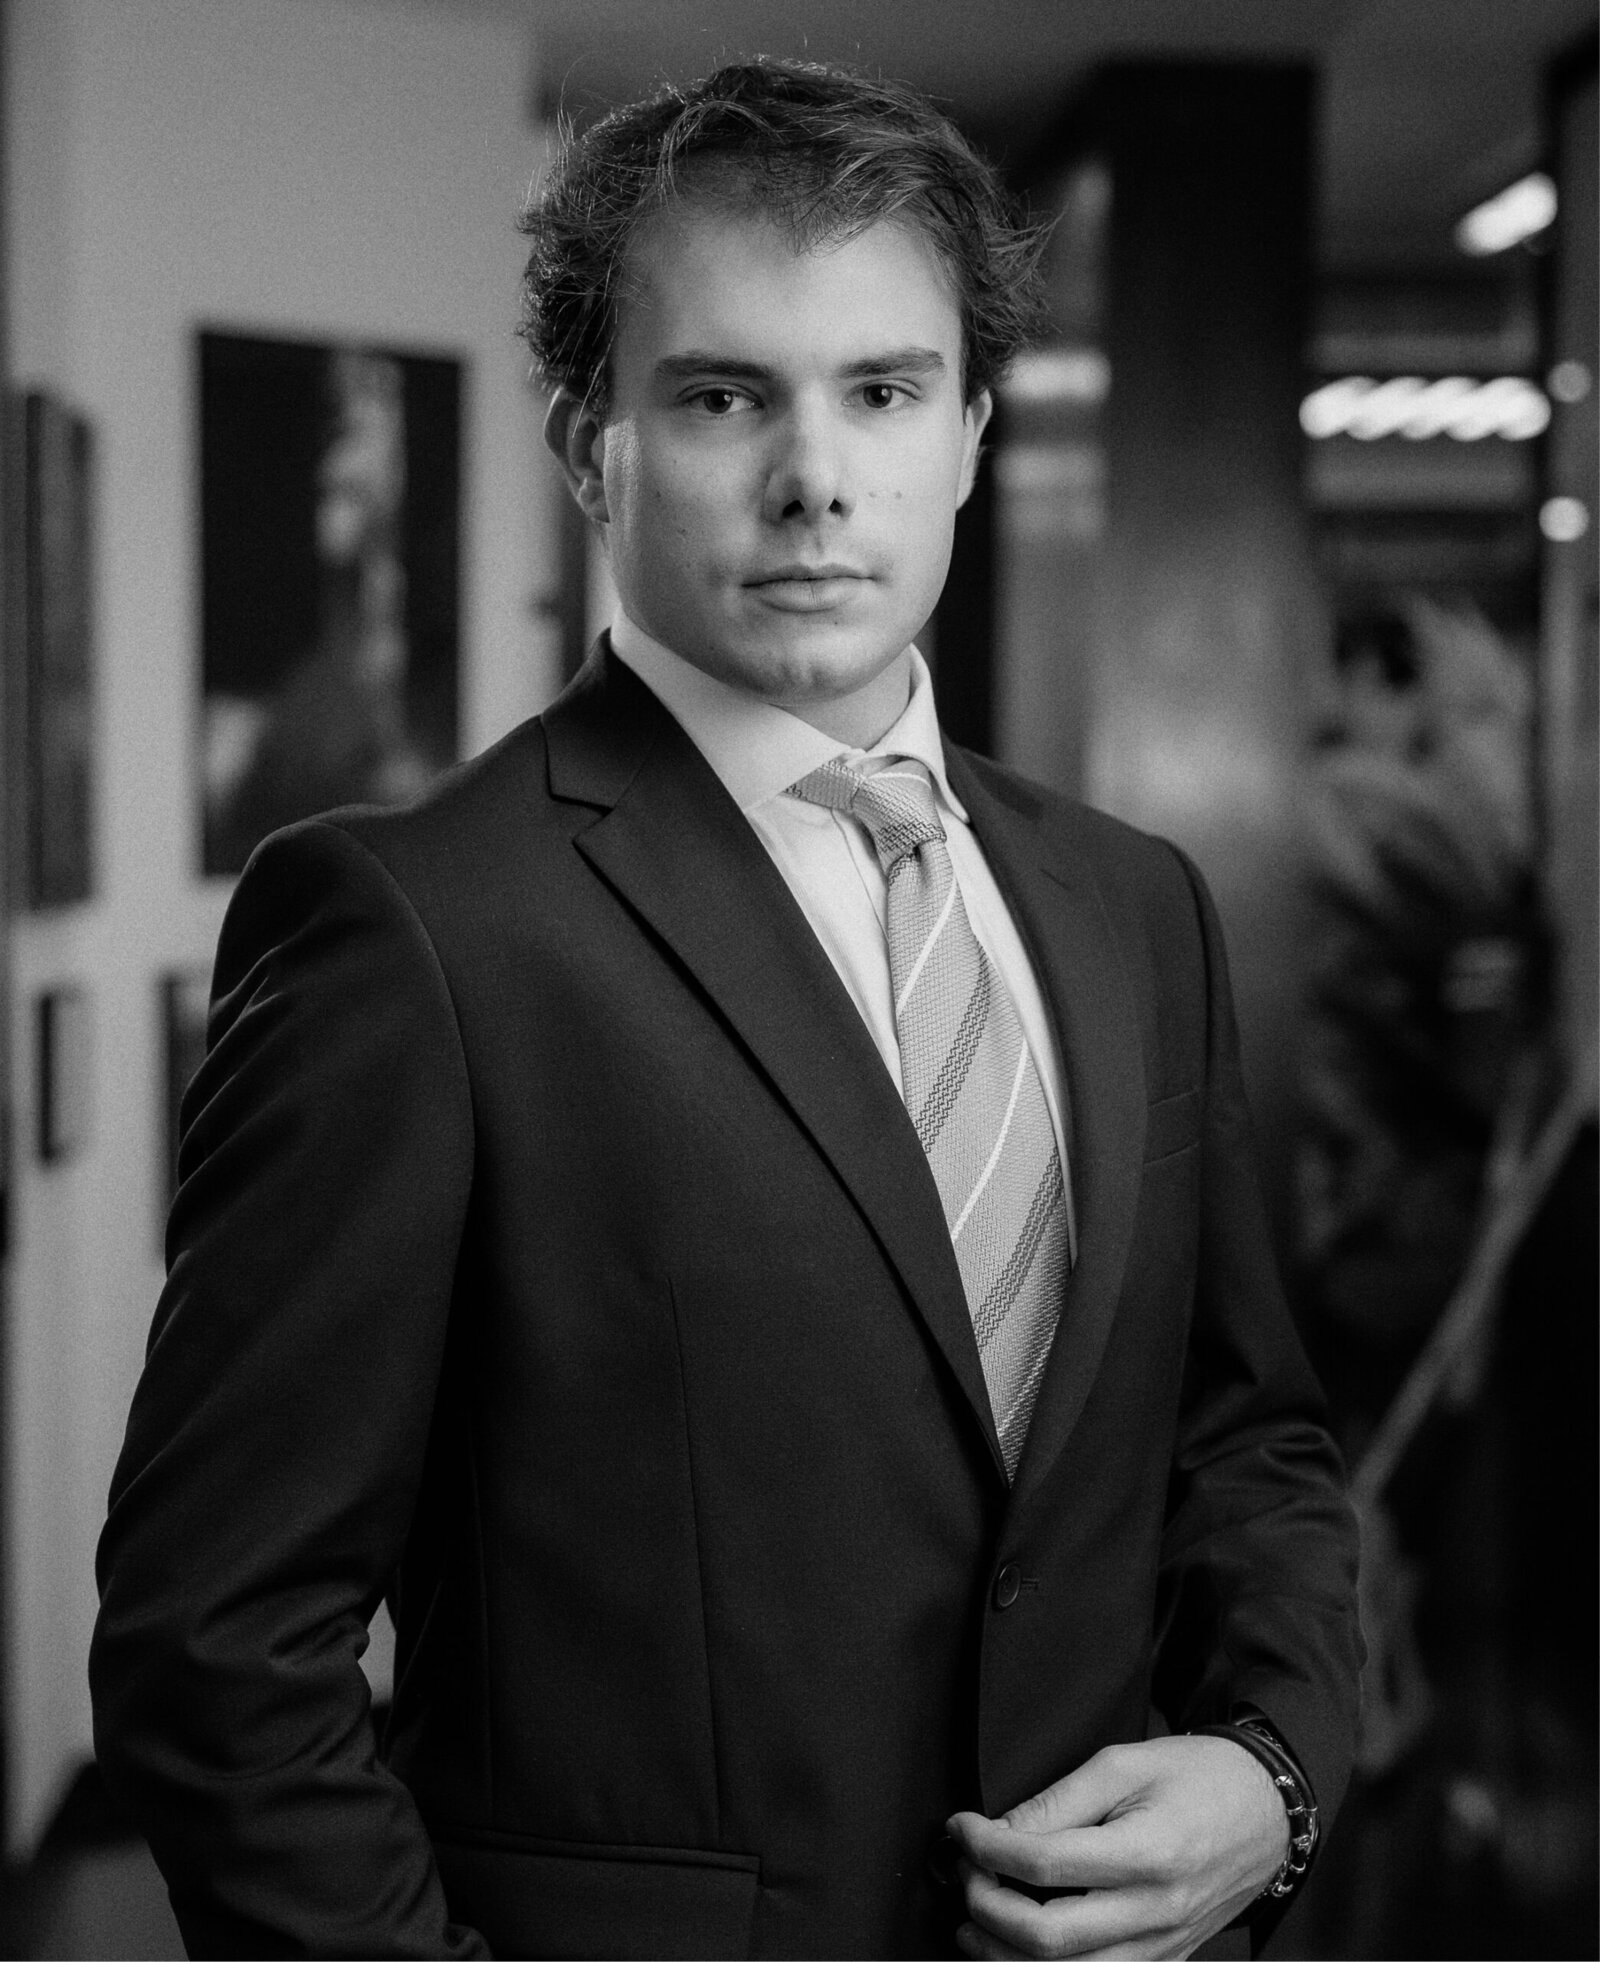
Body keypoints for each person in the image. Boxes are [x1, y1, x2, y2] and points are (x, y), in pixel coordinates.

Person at [91, 58, 1362, 1961]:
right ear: (586, 444)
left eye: (884, 392)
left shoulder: (1135, 908)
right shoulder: (414, 931)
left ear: (972, 433)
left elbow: (1243, 1447)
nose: (816, 479)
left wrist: (1275, 1775)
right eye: (720, 397)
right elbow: (216, 1647)